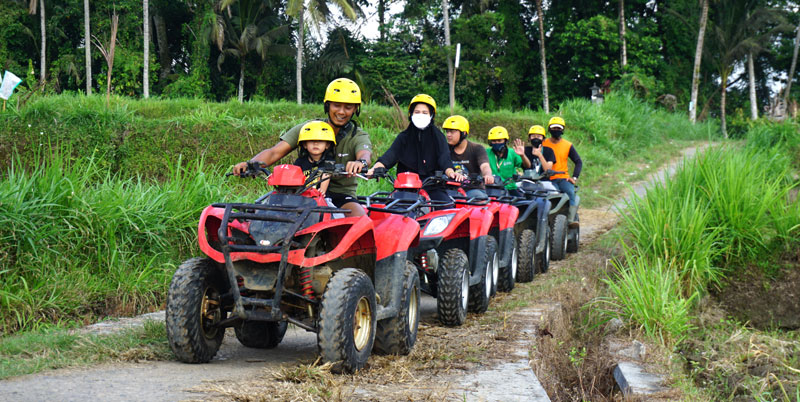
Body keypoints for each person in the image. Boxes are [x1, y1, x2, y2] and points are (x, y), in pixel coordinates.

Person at [233, 78, 372, 217]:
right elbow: (274, 152)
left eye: (348, 107)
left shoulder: (357, 135)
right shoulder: (309, 129)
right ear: (327, 105)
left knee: (359, 219)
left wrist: (361, 163)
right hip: (301, 192)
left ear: (355, 109)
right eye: (336, 105)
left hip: (340, 196)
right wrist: (250, 164)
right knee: (259, 217)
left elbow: (365, 154)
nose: (341, 112)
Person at [368, 94, 464, 202]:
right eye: (417, 112)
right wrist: (375, 169)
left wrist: (451, 172)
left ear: (431, 115)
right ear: (411, 114)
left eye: (425, 113)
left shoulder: (438, 137)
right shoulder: (403, 137)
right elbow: (389, 156)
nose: (420, 115)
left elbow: (444, 159)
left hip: (433, 187)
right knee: (390, 212)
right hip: (406, 189)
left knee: (447, 207)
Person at [543, 116, 583, 227]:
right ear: (549, 129)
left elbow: (578, 161)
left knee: (570, 193)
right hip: (546, 178)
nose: (556, 130)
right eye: (554, 128)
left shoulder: (568, 145)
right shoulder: (543, 144)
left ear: (563, 130)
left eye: (559, 128)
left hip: (562, 178)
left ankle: (571, 220)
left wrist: (574, 177)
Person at [443, 114, 494, 199]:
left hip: (473, 189)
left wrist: (487, 175)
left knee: (478, 199)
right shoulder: (444, 149)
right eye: (447, 131)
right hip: (450, 189)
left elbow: (485, 166)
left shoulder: (477, 148)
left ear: (463, 133)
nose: (448, 135)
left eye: (452, 131)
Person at [293, 120, 336, 195]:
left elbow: (327, 174)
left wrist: (322, 190)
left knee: (329, 204)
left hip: (321, 196)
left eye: (320, 140)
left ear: (327, 145)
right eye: (311, 140)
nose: (316, 143)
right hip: (302, 196)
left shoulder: (329, 160)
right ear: (304, 144)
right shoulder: (299, 162)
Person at [486, 126, 523, 197]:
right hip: (491, 188)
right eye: (494, 141)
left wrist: (523, 155)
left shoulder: (512, 153)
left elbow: (525, 166)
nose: (496, 143)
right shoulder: (486, 152)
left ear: (505, 141)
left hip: (510, 188)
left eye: (499, 141)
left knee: (523, 203)